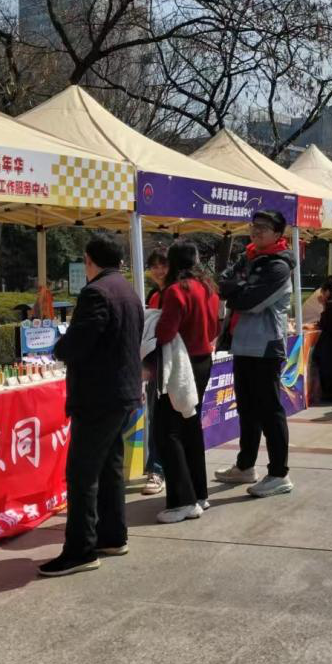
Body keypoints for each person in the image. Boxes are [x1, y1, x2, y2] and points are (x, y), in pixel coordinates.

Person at [41, 235, 144, 576]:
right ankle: (112, 536)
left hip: (98, 396)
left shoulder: (96, 292)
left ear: (89, 260)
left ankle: (80, 550)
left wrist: (59, 347)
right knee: (109, 467)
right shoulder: (128, 290)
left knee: (82, 474)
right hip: (122, 393)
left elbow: (79, 342)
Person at [214, 209, 297, 498]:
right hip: (242, 344)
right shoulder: (248, 256)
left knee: (270, 410)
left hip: (265, 347)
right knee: (247, 409)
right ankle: (245, 465)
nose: (256, 230)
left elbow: (250, 301)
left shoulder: (279, 266)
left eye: (264, 227)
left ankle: (279, 473)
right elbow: (223, 283)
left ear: (278, 234)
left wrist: (237, 289)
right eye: (254, 225)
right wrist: (238, 287)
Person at [148, 241, 220, 523]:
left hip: (179, 365)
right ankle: (199, 493)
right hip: (203, 361)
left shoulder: (176, 291)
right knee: (191, 427)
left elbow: (166, 332)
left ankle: (182, 501)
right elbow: (215, 328)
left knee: (168, 431)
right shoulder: (208, 288)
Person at [140, 247, 170, 496]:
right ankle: (157, 468)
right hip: (155, 366)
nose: (159, 270)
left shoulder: (175, 292)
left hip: (173, 365)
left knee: (165, 420)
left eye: (163, 265)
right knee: (156, 418)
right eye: (154, 266)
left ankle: (160, 469)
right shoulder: (154, 295)